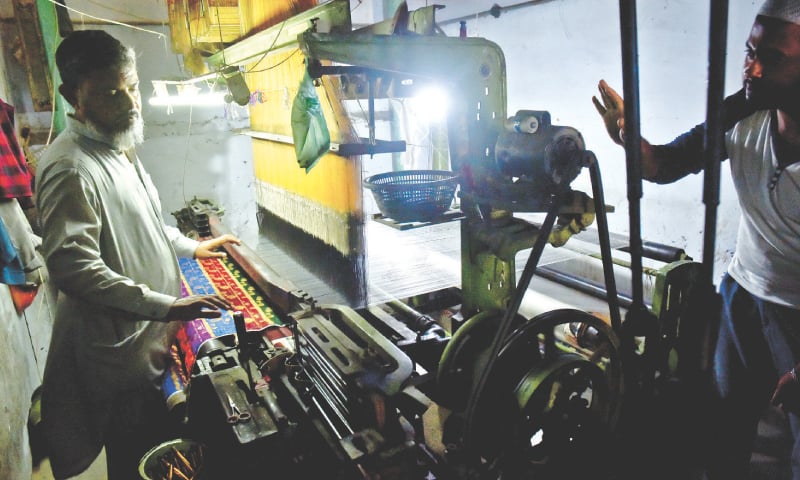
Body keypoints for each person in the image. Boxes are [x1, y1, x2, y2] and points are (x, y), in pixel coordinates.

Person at [592, 0, 800, 478]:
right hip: (744, 294)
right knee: (725, 421)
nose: (753, 67)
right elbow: (664, 164)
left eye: (774, 57)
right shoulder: (743, 113)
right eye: (750, 51)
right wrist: (631, 138)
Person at [36, 30, 241, 479]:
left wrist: (193, 247)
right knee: (136, 457)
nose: (130, 103)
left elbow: (147, 224)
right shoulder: (71, 167)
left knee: (152, 442)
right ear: (74, 96)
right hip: (119, 356)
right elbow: (75, 269)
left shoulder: (117, 148)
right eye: (112, 93)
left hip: (147, 339)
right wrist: (168, 306)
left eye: (132, 86)